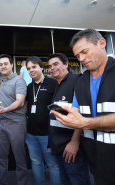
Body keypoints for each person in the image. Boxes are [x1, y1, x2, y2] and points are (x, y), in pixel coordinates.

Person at [51, 29, 115, 185]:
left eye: (85, 52)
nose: (82, 59)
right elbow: (78, 113)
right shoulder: (81, 81)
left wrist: (86, 123)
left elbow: (83, 121)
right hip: (94, 160)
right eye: (78, 56)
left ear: (102, 43)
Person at [48, 53, 90, 185]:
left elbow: (82, 113)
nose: (52, 68)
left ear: (66, 64)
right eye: (49, 66)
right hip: (59, 148)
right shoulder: (58, 84)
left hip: (72, 148)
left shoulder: (77, 80)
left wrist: (75, 141)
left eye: (56, 64)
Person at [0, 54, 27, 185]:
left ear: (12, 65)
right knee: (0, 157)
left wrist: (4, 110)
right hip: (1, 123)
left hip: (16, 124)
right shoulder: (2, 81)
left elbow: (20, 102)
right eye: (1, 64)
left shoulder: (19, 80)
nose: (3, 66)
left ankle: (21, 183)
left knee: (19, 158)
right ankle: (1, 182)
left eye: (6, 63)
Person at [25, 56, 61, 185]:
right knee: (35, 162)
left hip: (48, 133)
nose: (31, 70)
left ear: (41, 67)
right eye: (28, 68)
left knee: (53, 165)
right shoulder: (29, 87)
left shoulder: (53, 84)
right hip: (30, 134)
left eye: (34, 67)